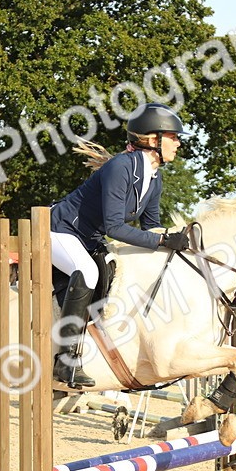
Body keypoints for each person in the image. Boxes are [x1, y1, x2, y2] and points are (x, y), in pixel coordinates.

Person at [48, 102, 191, 388]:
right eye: (173, 137)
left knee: (113, 272)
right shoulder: (120, 167)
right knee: (87, 272)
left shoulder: (154, 177)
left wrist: (174, 239)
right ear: (153, 140)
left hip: (87, 238)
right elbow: (115, 227)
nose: (177, 143)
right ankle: (65, 361)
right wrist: (161, 240)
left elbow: (151, 227)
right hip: (59, 230)